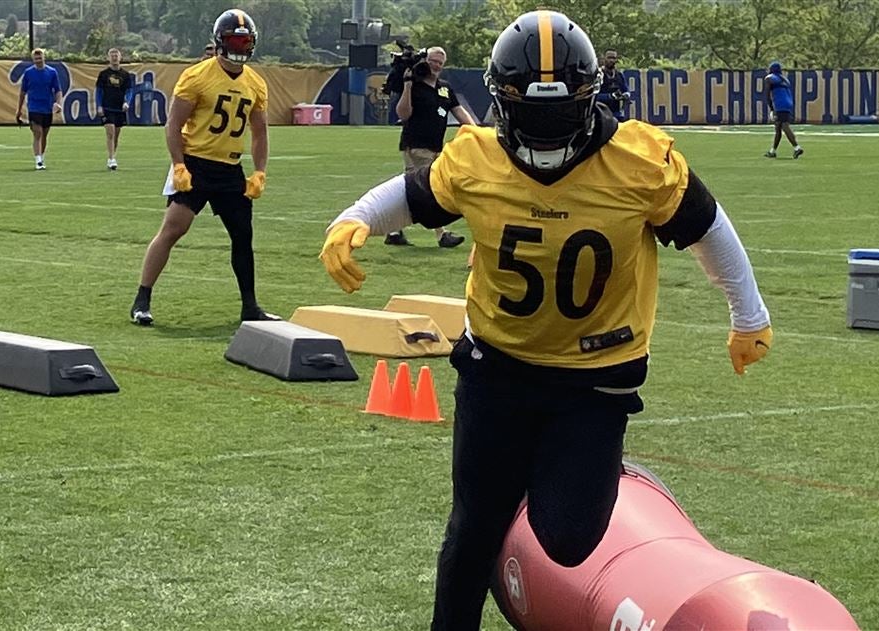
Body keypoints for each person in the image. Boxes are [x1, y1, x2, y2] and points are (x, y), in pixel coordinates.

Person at [318, 10, 773, 629]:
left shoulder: (638, 160)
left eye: (560, 110)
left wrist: (749, 314)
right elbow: (415, 194)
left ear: (587, 100)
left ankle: (609, 476)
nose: (547, 125)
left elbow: (707, 228)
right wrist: (356, 219)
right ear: (504, 101)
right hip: (496, 365)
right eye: (533, 109)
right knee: (471, 529)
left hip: (596, 376)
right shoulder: (476, 159)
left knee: (566, 539)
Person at [130, 9, 278, 325]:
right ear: (220, 41)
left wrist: (260, 171)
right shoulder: (197, 76)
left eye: (245, 40)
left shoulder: (256, 83)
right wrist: (178, 165)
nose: (240, 47)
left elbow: (260, 131)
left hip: (230, 169)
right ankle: (141, 299)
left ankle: (250, 306)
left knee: (242, 236)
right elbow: (173, 125)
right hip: (196, 165)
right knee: (173, 229)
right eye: (234, 40)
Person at [384, 46, 477, 248]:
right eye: (433, 61)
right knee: (432, 188)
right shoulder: (415, 85)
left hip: (436, 146)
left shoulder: (444, 88)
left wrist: (476, 132)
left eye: (439, 63)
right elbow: (403, 114)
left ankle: (392, 231)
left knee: (413, 191)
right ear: (425, 60)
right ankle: (441, 234)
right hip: (416, 144)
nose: (435, 65)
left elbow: (460, 112)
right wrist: (407, 85)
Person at [15, 48, 63, 170]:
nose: (38, 60)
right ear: (33, 59)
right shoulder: (28, 73)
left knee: (44, 135)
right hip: (34, 107)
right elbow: (23, 92)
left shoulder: (52, 72)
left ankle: (41, 156)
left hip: (47, 108)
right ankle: (38, 160)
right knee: (38, 133)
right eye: (36, 58)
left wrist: (58, 103)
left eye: (40, 57)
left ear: (43, 57)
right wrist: (19, 109)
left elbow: (57, 90)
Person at [96, 47, 134, 170]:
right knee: (110, 132)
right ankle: (112, 158)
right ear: (108, 58)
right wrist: (99, 105)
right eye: (112, 55)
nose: (114, 57)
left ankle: (112, 157)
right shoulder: (103, 74)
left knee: (116, 134)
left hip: (119, 108)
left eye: (116, 55)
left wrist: (126, 102)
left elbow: (129, 90)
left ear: (120, 57)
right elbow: (99, 91)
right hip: (107, 107)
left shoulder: (125, 75)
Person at [763, 61, 802, 159]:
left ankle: (797, 147)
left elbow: (767, 94)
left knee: (784, 126)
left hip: (780, 104)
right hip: (788, 102)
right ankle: (773, 151)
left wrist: (772, 108)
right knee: (778, 127)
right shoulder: (785, 79)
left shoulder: (769, 78)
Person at [596, 49, 629, 121]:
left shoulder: (619, 75)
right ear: (604, 58)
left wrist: (626, 95)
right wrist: (610, 96)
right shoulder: (598, 75)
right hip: (601, 113)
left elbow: (626, 90)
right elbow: (594, 95)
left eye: (613, 58)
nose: (611, 60)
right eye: (609, 57)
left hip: (616, 113)